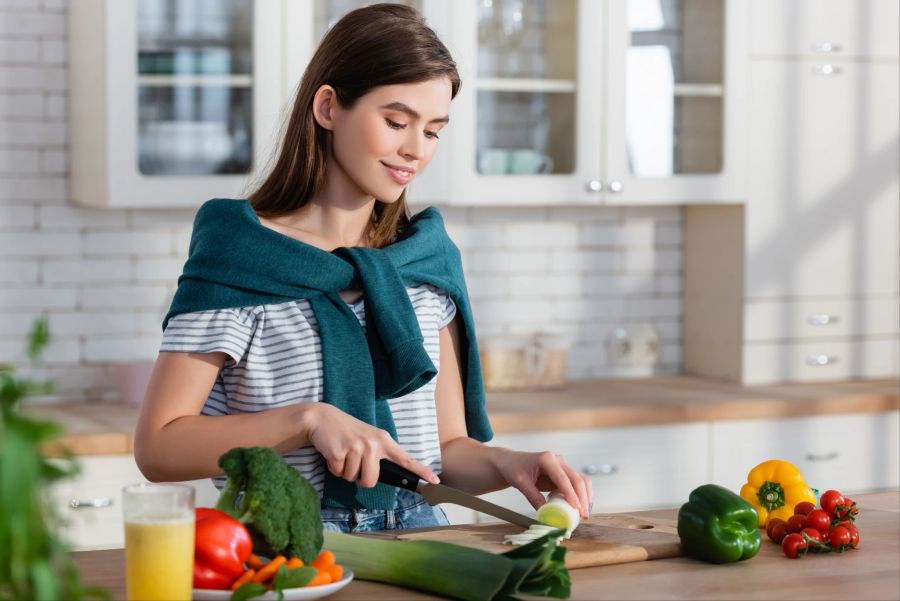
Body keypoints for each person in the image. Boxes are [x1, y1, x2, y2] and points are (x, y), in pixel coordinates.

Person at [134, 3, 592, 533]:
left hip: (423, 538)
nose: (414, 150)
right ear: (328, 107)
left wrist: (507, 463)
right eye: (396, 121)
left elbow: (443, 450)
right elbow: (159, 447)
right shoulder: (241, 257)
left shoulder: (422, 263)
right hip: (286, 549)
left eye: (433, 131)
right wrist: (307, 421)